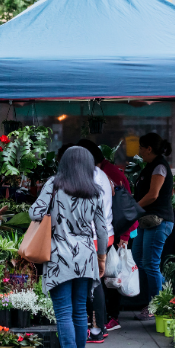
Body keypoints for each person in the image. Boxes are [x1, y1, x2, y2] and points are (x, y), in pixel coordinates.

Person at [29, 146, 107, 348]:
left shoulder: (54, 184)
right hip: (86, 257)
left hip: (59, 257)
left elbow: (35, 212)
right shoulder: (95, 191)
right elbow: (102, 230)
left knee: (63, 312)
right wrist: (101, 258)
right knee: (80, 311)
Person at [77, 138, 138, 333]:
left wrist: (125, 236)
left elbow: (124, 205)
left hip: (112, 232)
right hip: (110, 232)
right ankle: (101, 322)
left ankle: (106, 320)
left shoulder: (105, 173)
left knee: (110, 276)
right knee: (104, 278)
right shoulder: (104, 173)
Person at [132, 132, 174, 321]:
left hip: (159, 222)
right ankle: (167, 296)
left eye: (141, 147)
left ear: (149, 148)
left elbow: (153, 195)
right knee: (138, 258)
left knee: (150, 264)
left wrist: (133, 208)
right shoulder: (150, 166)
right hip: (147, 221)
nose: (139, 150)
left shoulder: (159, 167)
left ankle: (156, 306)